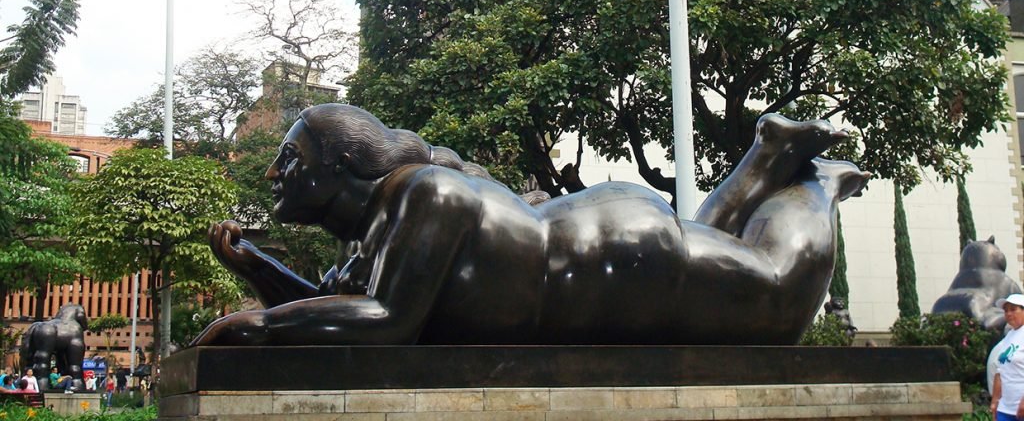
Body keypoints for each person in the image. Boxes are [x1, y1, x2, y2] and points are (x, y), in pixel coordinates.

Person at [195, 104, 869, 347]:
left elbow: (387, 322)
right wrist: (256, 269)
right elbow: (342, 318)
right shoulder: (380, 230)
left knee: (777, 302)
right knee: (711, 252)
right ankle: (771, 152)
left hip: (617, 257)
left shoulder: (425, 195)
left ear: (339, 166)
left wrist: (259, 326)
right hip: (609, 262)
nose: (273, 175)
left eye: (290, 160)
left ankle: (817, 184)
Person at [991, 293, 1024, 420]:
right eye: (1006, 310)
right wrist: (995, 400)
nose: (1008, 314)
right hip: (1006, 408)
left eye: (1013, 309)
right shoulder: (1009, 336)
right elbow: (1000, 371)